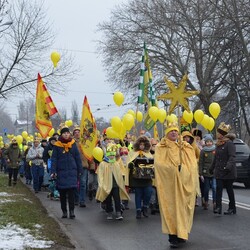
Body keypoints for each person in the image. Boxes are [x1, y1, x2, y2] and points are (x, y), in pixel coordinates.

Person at [154, 122, 198, 248]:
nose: (174, 133)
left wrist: (183, 169)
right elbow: (159, 165)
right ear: (167, 133)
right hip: (169, 185)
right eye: (171, 131)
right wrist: (173, 170)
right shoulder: (160, 147)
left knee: (183, 208)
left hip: (184, 182)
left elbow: (193, 165)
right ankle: (173, 237)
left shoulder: (184, 146)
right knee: (172, 209)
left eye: (175, 131)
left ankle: (182, 234)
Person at [51, 127, 83, 219]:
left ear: (69, 134)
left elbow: (77, 158)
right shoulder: (57, 145)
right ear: (61, 135)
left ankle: (72, 211)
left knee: (72, 193)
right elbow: (54, 159)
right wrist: (53, 171)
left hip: (72, 171)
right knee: (63, 194)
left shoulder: (73, 144)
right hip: (61, 171)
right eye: (64, 133)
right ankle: (64, 211)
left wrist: (80, 170)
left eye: (67, 133)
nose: (66, 135)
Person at [96, 142, 130, 220]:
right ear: (107, 155)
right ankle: (109, 212)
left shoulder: (116, 164)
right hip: (107, 185)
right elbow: (100, 174)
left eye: (113, 155)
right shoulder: (103, 164)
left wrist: (121, 183)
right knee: (108, 199)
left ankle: (118, 212)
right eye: (110, 155)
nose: (112, 156)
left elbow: (119, 174)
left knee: (117, 198)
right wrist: (101, 184)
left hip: (115, 185)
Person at [209, 122, 237, 215]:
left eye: (219, 133)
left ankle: (232, 207)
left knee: (229, 190)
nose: (217, 134)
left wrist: (228, 167)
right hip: (219, 171)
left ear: (223, 134)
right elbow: (216, 158)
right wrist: (211, 167)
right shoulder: (218, 144)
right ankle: (218, 207)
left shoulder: (229, 144)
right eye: (218, 133)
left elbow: (232, 157)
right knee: (219, 189)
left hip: (228, 171)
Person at [127, 135, 154, 219]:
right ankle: (138, 210)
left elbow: (152, 163)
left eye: (143, 144)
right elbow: (128, 162)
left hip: (147, 177)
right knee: (138, 194)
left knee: (148, 192)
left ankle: (145, 207)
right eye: (140, 144)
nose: (142, 146)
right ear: (138, 144)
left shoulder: (148, 153)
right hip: (137, 177)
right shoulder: (132, 153)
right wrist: (130, 165)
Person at [73, 126, 91, 207]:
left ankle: (82, 201)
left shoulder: (84, 142)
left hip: (84, 165)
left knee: (83, 183)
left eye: (78, 132)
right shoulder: (72, 143)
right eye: (75, 132)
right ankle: (76, 199)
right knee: (75, 183)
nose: (77, 134)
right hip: (75, 166)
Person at [199, 134, 216, 210]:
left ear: (212, 142)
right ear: (205, 143)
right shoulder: (203, 151)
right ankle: (206, 201)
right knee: (206, 189)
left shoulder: (215, 150)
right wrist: (201, 174)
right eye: (207, 142)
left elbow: (217, 161)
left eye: (210, 141)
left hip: (214, 172)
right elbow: (201, 163)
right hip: (206, 172)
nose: (209, 143)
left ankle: (215, 202)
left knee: (214, 187)